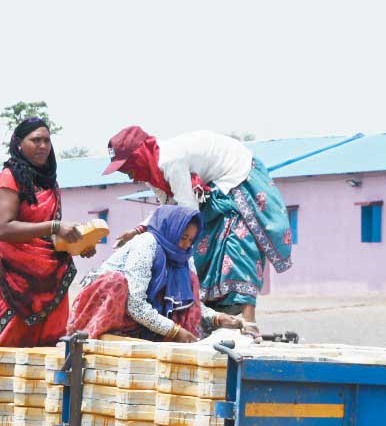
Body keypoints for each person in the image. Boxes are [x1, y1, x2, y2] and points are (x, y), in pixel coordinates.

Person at [0, 117, 97, 426]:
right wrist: (54, 227)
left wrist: (76, 243)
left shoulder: (50, 183)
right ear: (18, 143)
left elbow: (49, 235)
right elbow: (4, 229)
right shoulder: (8, 178)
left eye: (47, 140)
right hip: (13, 282)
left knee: (49, 351)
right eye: (36, 140)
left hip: (50, 279)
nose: (43, 146)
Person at [103, 126, 293, 324]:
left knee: (237, 243)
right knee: (203, 250)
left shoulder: (170, 161)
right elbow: (167, 208)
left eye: (128, 168)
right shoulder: (152, 173)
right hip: (210, 186)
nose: (130, 176)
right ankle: (213, 318)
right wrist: (137, 230)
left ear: (139, 156)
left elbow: (186, 210)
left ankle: (248, 322)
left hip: (236, 172)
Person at [69, 205, 256, 342]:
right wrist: (175, 332)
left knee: (189, 280)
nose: (185, 244)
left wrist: (217, 318)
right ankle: (101, 337)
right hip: (112, 313)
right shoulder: (146, 244)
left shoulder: (184, 257)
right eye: (182, 238)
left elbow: (191, 303)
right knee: (116, 282)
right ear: (171, 230)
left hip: (145, 323)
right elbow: (135, 305)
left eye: (191, 240)